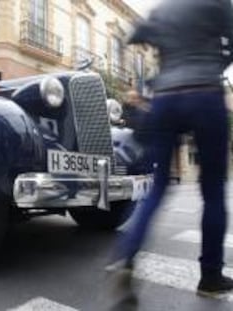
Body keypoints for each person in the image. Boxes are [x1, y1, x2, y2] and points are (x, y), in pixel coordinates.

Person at [107, 0, 233, 299]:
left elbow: (133, 36)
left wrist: (148, 74)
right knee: (213, 190)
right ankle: (210, 278)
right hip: (204, 93)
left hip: (165, 99)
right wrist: (213, 65)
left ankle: (127, 255)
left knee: (158, 185)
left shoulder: (163, 9)